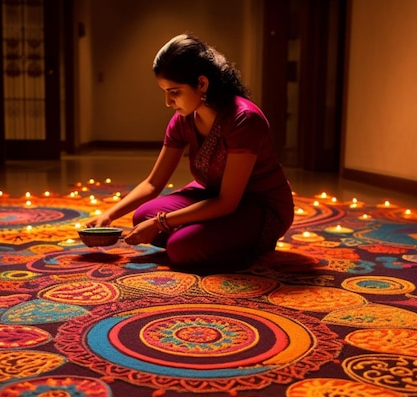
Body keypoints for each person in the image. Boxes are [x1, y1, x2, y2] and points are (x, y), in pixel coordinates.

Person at [86, 33, 295, 270]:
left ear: (202, 84)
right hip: (212, 195)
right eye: (164, 92)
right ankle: (212, 237)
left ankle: (247, 240)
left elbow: (227, 202)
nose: (167, 102)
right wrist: (109, 215)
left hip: (258, 204)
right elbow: (154, 183)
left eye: (174, 92)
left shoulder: (243, 119)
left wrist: (161, 222)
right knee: (141, 216)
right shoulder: (183, 120)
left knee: (180, 248)